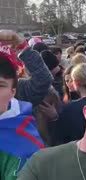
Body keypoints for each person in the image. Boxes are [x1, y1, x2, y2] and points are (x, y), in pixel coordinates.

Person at [0, 51, 43, 180]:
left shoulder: (23, 144)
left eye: (0, 86)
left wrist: (23, 48)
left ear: (13, 92)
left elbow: (42, 81)